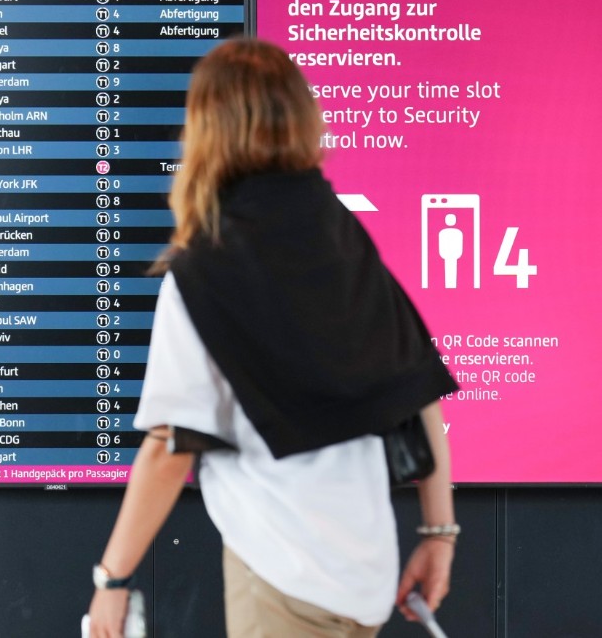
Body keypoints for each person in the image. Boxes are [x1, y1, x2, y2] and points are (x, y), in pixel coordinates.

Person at [88, 38, 460, 638]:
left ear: (206, 132)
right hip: (365, 577)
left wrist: (112, 580)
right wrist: (438, 534)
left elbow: (168, 449)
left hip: (283, 579)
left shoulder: (205, 270)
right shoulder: (342, 237)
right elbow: (419, 391)